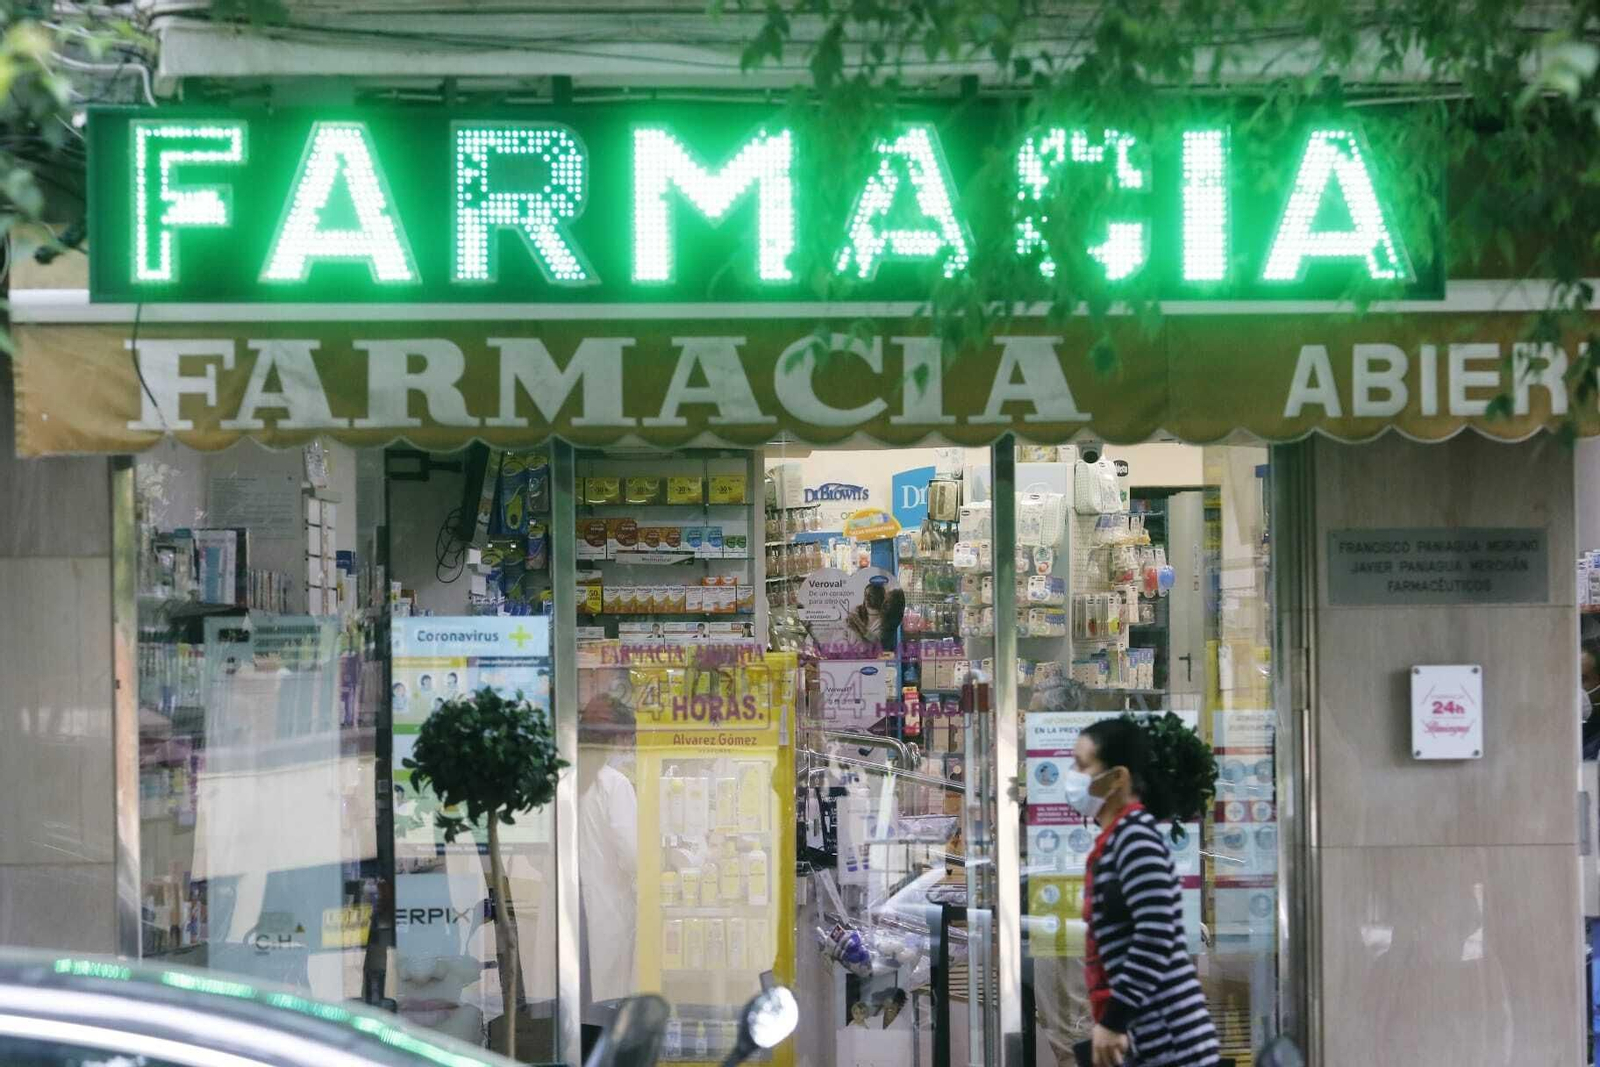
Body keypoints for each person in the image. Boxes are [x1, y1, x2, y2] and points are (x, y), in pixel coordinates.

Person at [1065, 717, 1219, 1067]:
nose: (1072, 775)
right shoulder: (1120, 838)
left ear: (1118, 777)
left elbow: (1157, 932)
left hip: (1171, 1039)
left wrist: (1114, 1019)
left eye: (1083, 765)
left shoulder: (1136, 838)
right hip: (1148, 1037)